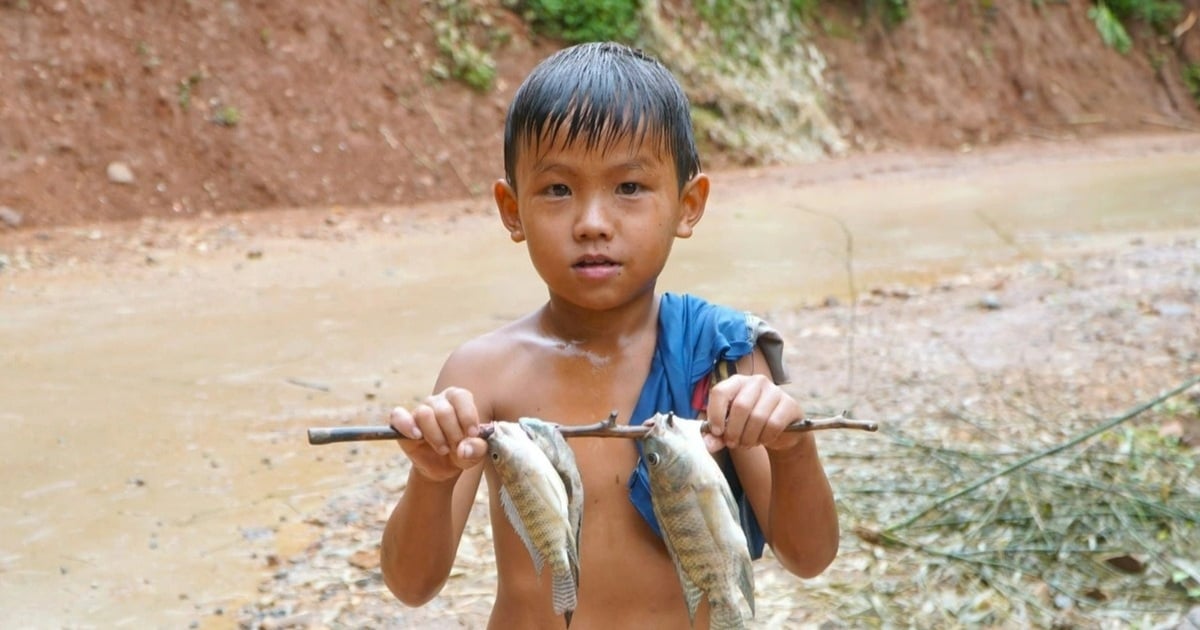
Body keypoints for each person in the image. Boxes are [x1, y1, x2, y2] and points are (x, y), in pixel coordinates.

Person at [380, 41, 839, 629]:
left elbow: (809, 556)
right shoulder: (483, 373)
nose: (592, 223)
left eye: (629, 188)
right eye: (557, 190)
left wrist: (792, 442)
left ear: (688, 205)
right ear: (511, 209)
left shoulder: (722, 357)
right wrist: (430, 477)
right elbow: (412, 585)